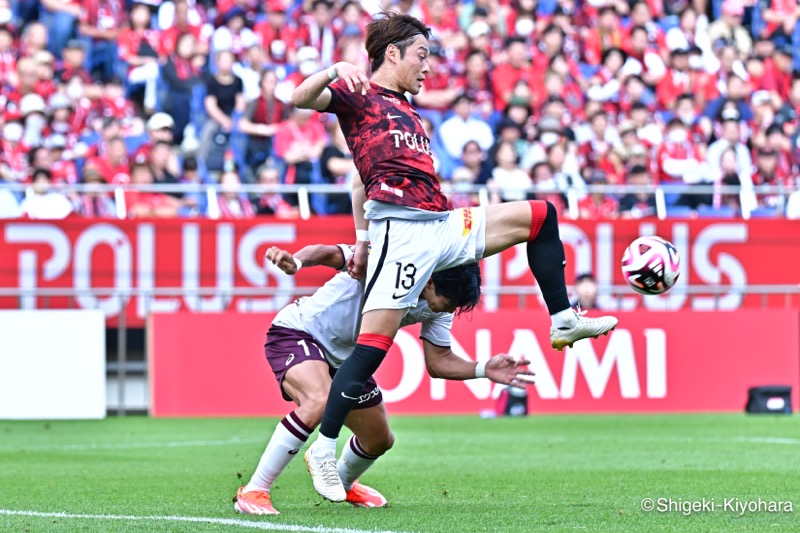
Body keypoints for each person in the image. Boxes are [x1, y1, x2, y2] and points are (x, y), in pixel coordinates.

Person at [290, 13, 618, 502]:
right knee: (373, 346)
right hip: (400, 230)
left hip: (441, 223)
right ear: (393, 53)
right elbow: (297, 99)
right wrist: (336, 68)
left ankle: (564, 320)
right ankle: (323, 449)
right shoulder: (358, 94)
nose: (429, 67)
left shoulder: (408, 109)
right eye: (422, 55)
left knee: (541, 216)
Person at [234, 243, 534, 515]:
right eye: (447, 302)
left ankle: (343, 483)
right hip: (300, 332)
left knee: (379, 439)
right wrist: (297, 262)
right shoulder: (391, 263)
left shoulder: (441, 305)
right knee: (320, 399)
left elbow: (439, 362)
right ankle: (254, 490)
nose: (448, 309)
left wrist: (483, 369)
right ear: (430, 282)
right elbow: (329, 253)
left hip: (349, 359)